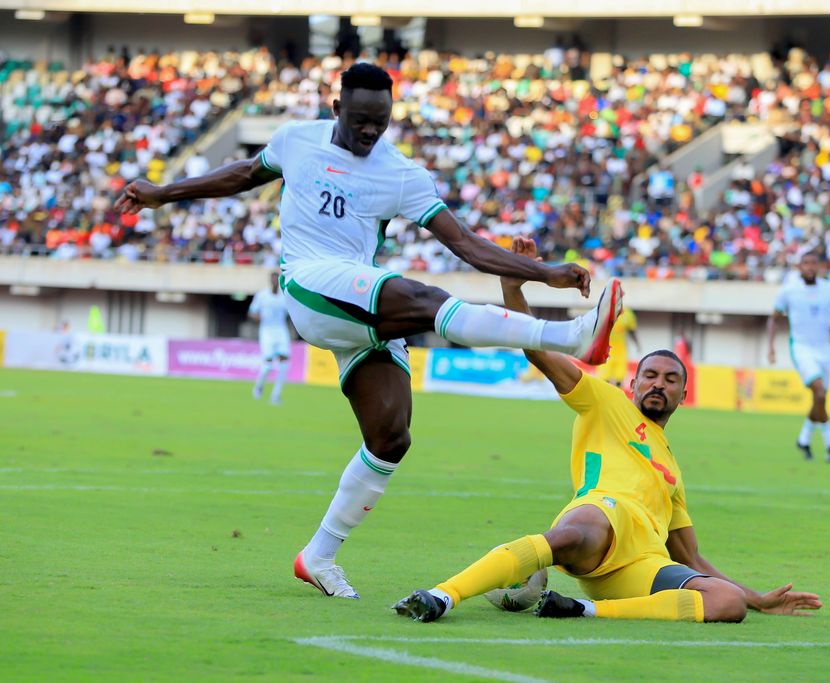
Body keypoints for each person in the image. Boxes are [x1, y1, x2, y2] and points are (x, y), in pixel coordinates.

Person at [115, 64, 623, 599]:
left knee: (390, 437)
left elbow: (467, 245)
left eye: (379, 122)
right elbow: (243, 174)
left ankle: (318, 556)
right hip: (310, 282)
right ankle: (571, 338)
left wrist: (544, 272)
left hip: (356, 305)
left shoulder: (401, 175)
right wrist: (162, 193)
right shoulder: (296, 140)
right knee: (425, 299)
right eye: (359, 119)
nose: (369, 131)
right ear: (337, 109)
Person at [393, 237, 821, 623]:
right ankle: (443, 595)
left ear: (683, 395)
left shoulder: (672, 472)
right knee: (581, 529)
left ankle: (581, 609)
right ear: (634, 385)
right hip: (600, 516)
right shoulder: (607, 403)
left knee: (726, 603)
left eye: (670, 379)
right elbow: (540, 354)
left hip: (638, 566)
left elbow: (690, 557)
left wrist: (756, 599)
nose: (658, 384)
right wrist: (513, 288)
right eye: (650, 375)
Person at [766, 252, 830, 462]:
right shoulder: (788, 290)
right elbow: (773, 319)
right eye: (806, 263)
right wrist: (771, 348)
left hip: (824, 350)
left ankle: (804, 439)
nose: (810, 267)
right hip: (802, 348)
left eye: (813, 263)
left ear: (819, 266)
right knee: (819, 390)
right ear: (799, 266)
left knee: (820, 397)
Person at [248, 270, 292, 405]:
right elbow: (252, 312)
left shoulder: (284, 296)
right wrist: (258, 317)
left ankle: (275, 395)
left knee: (284, 365)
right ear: (270, 280)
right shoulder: (262, 296)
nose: (274, 282)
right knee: (268, 365)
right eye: (272, 279)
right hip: (266, 331)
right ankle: (258, 386)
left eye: (276, 279)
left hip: (281, 330)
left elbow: (291, 313)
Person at [595, 305, 640, 387]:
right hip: (605, 348)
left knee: (619, 377)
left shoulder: (628, 313)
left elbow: (632, 331)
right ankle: (604, 393)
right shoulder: (603, 310)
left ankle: (618, 393)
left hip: (620, 350)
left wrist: (637, 344)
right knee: (604, 377)